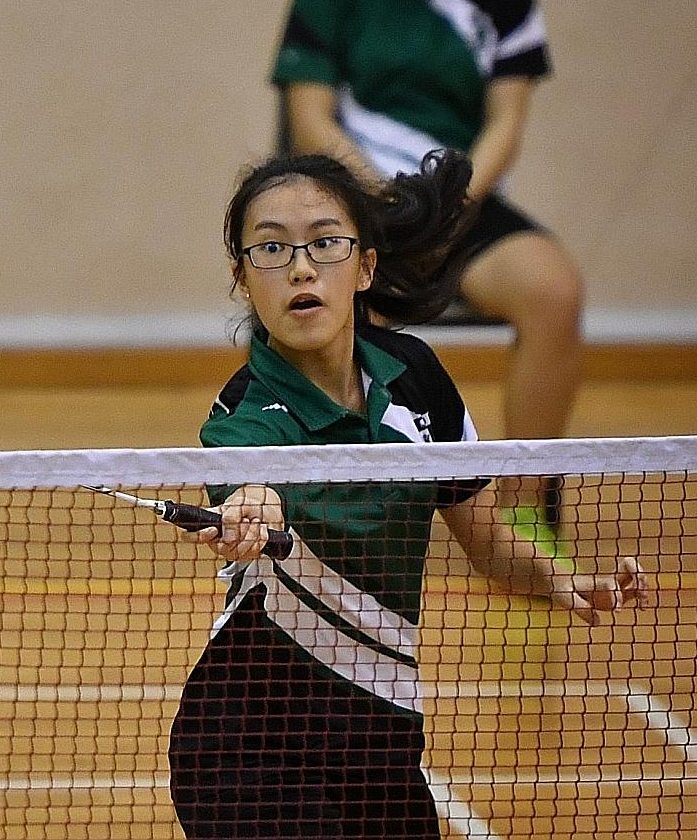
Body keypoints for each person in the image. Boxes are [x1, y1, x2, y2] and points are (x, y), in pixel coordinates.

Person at [166, 152, 648, 840]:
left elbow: (487, 543)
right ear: (244, 280)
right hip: (249, 747)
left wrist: (562, 579)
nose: (300, 268)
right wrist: (253, 507)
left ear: (364, 267)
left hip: (377, 745)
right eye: (270, 248)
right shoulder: (244, 413)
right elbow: (248, 482)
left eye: (324, 243)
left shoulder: (417, 377)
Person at [271, 0, 580, 533]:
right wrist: (380, 204)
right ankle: (359, 508)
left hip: (463, 207)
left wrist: (446, 206)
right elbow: (310, 118)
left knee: (555, 291)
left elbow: (507, 119)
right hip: (361, 207)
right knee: (330, 309)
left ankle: (526, 510)